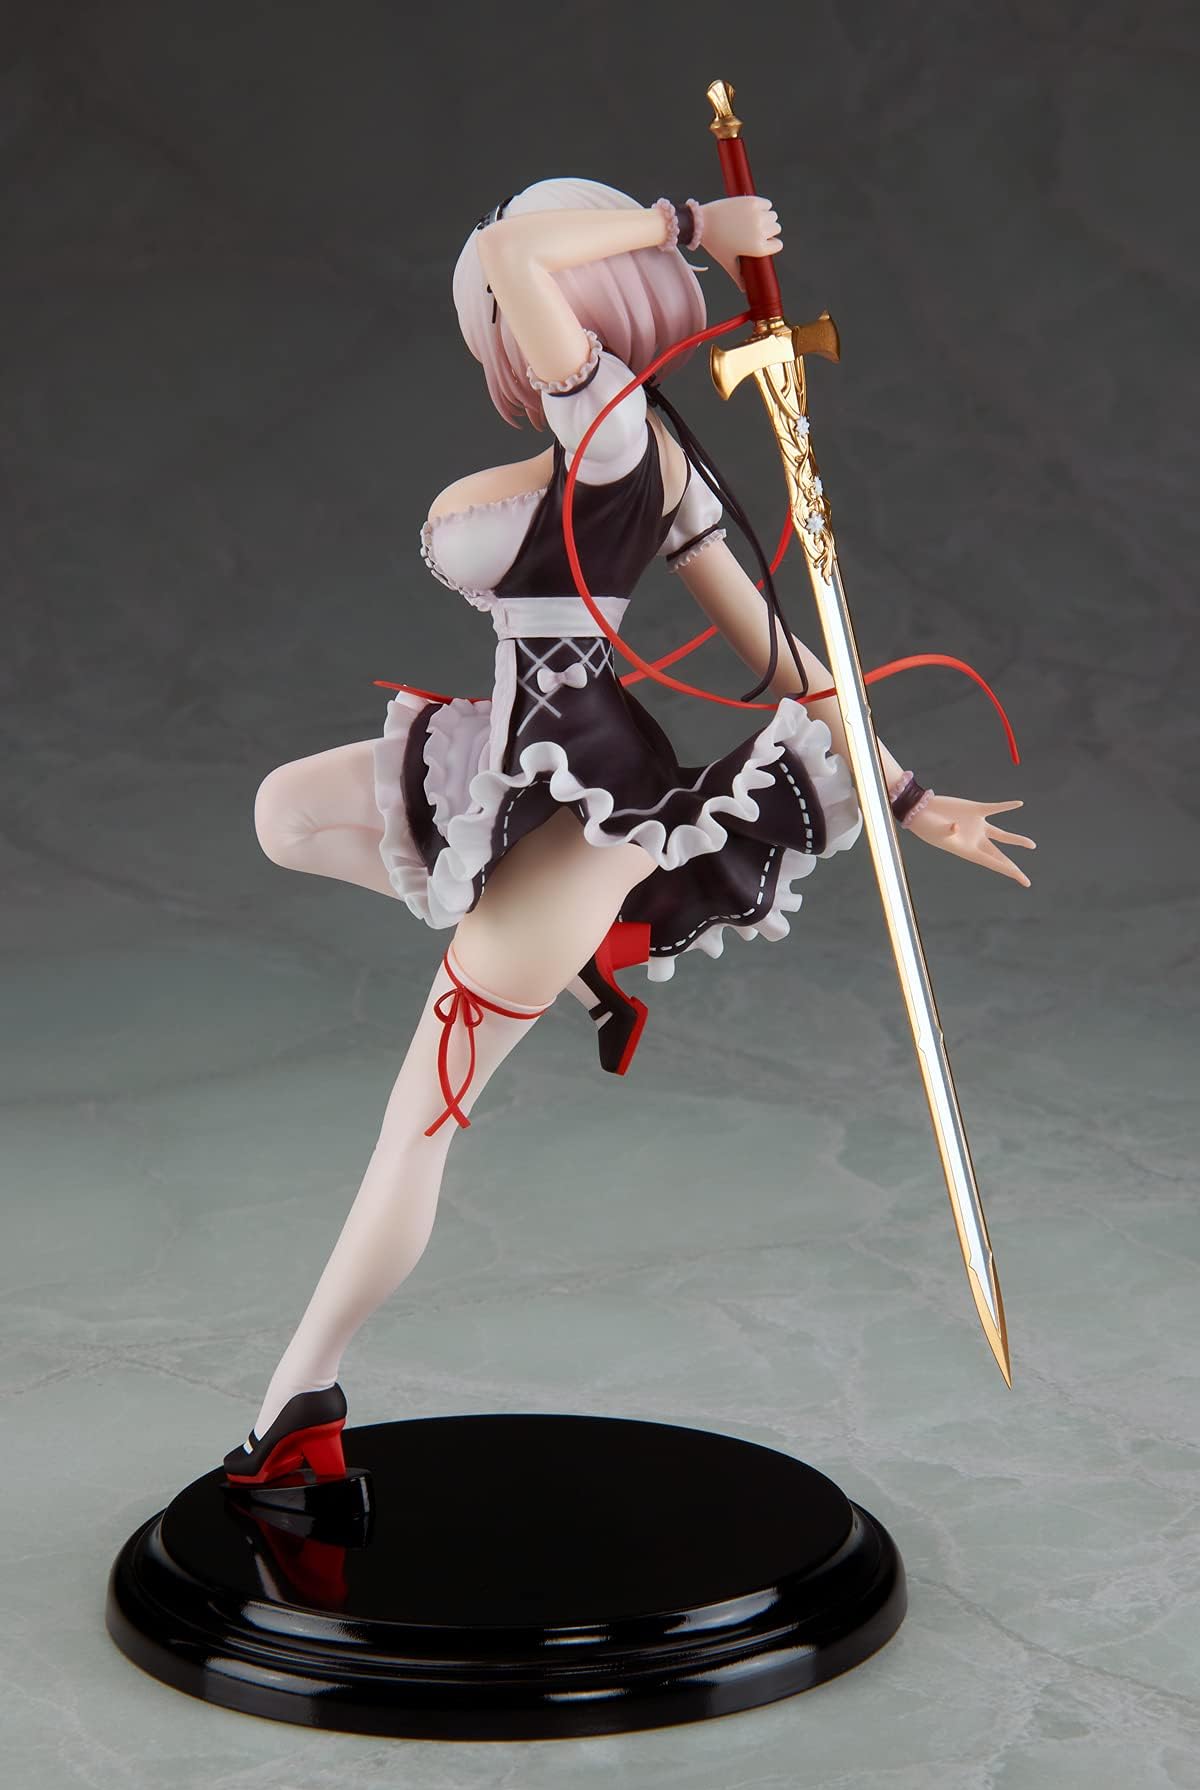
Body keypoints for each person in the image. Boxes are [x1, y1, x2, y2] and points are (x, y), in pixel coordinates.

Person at [222, 179, 1035, 1485]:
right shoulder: (629, 441)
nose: (502, 325)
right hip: (505, 763)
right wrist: (908, 797)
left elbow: (782, 658)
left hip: (575, 805)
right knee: (282, 813)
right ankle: (581, 959)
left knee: (415, 1132)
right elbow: (780, 655)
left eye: (512, 310)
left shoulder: (603, 418)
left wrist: (688, 227)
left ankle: (296, 1404)